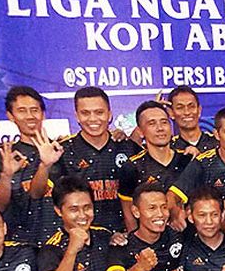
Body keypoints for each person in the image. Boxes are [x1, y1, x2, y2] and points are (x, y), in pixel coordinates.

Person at [29, 87, 142, 233]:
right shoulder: (62, 151)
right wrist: (45, 165)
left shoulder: (128, 148)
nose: (93, 119)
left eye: (99, 112)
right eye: (85, 113)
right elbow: (36, 194)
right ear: (76, 116)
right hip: (81, 239)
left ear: (109, 115)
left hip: (124, 239)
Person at [0, 86, 61, 245]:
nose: (30, 116)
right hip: (20, 245)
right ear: (10, 116)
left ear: (43, 114)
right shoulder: (3, 154)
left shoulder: (60, 150)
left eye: (34, 110)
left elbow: (39, 193)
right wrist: (6, 176)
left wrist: (45, 164)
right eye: (22, 110)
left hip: (59, 242)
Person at [119, 100, 193, 232]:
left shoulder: (188, 160)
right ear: (141, 131)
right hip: (153, 244)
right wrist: (137, 247)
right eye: (152, 123)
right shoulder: (131, 167)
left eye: (164, 122)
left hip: (190, 239)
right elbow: (129, 215)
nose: (160, 128)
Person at [168, 86, 220, 156]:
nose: (187, 112)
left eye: (191, 106)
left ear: (199, 110)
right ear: (171, 113)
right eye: (180, 108)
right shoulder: (169, 148)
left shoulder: (217, 143)